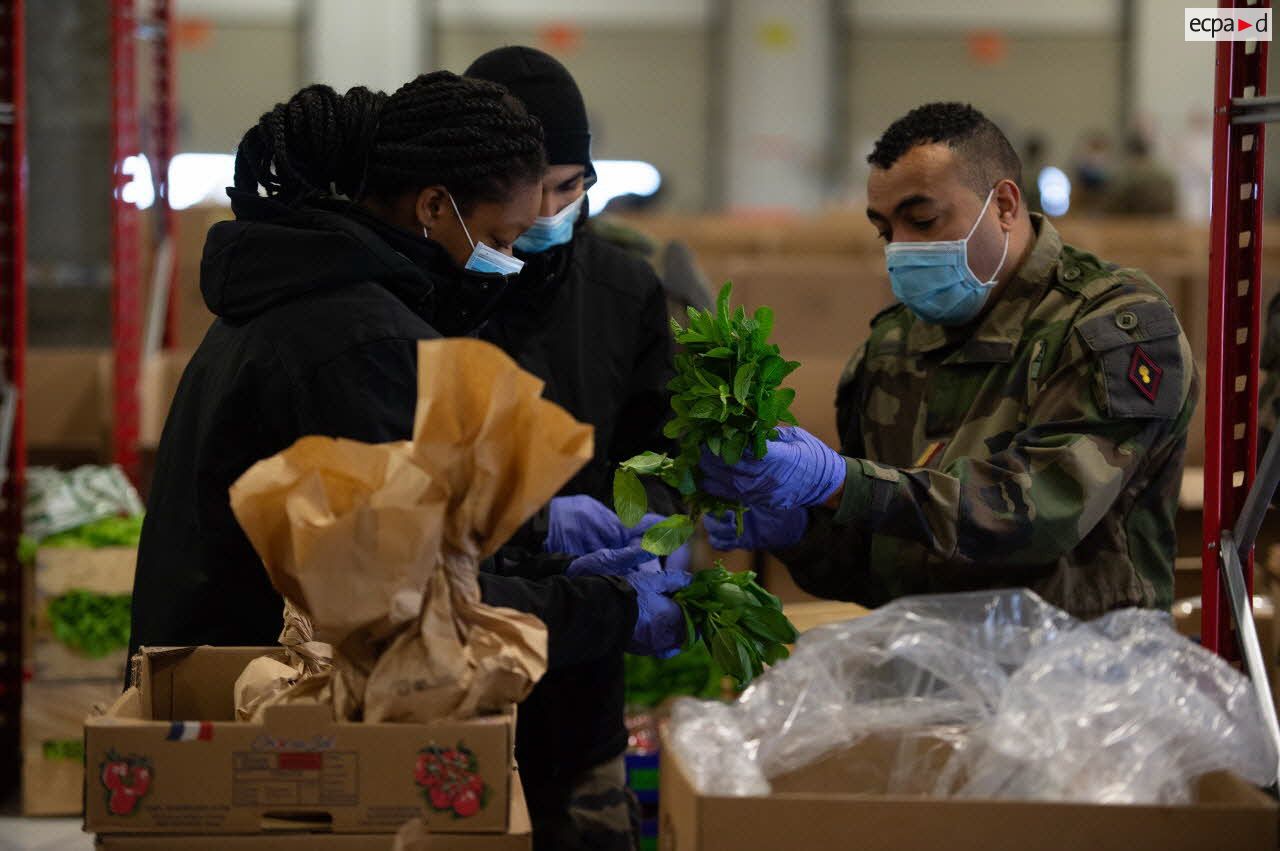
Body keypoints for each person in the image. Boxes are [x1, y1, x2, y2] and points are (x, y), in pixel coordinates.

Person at [128, 74, 688, 692]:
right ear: (434, 207)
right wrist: (609, 608)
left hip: (217, 674)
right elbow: (414, 602)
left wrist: (544, 554)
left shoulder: (295, 291)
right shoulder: (363, 340)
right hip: (258, 705)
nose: (506, 262)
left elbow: (390, 537)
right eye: (501, 240)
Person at [701, 102, 1197, 621]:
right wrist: (800, 529)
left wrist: (844, 484)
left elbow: (1039, 515)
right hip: (928, 672)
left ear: (1004, 204)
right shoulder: (892, 347)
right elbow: (881, 568)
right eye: (885, 231)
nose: (901, 249)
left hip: (1082, 678)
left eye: (921, 220)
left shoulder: (1109, 326)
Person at [464, 46, 679, 851]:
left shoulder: (625, 292)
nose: (552, 209)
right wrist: (535, 522)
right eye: (533, 190)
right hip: (455, 674)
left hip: (582, 676)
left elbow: (655, 454)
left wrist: (651, 531)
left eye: (571, 185)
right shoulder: (436, 288)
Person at [1102, 132, 1179, 217]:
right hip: (1165, 224)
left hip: (1132, 225)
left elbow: (1112, 206)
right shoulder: (1165, 173)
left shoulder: (1128, 175)